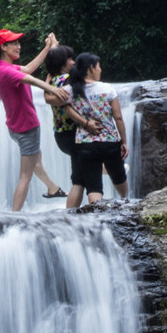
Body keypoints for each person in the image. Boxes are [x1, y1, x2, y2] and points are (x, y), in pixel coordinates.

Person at [0, 28, 71, 211]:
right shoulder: (7, 72)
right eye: (14, 43)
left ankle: (52, 189)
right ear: (3, 47)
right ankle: (14, 217)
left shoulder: (3, 68)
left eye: (19, 43)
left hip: (15, 127)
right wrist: (54, 90)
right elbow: (32, 79)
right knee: (25, 175)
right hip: (26, 127)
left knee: (36, 160)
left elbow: (29, 68)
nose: (19, 46)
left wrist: (48, 48)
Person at [61, 53, 129, 205]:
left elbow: (65, 108)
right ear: (91, 68)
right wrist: (124, 141)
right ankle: (126, 203)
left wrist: (84, 123)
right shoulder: (107, 89)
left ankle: (97, 219)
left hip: (85, 144)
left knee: (94, 188)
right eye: (98, 66)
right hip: (110, 141)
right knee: (119, 177)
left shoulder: (69, 90)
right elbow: (118, 118)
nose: (101, 69)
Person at [42, 44, 103, 209]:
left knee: (80, 179)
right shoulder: (68, 80)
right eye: (70, 59)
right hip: (76, 135)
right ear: (62, 63)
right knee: (86, 180)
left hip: (61, 136)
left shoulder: (53, 81)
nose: (73, 62)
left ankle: (70, 218)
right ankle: (94, 214)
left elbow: (48, 98)